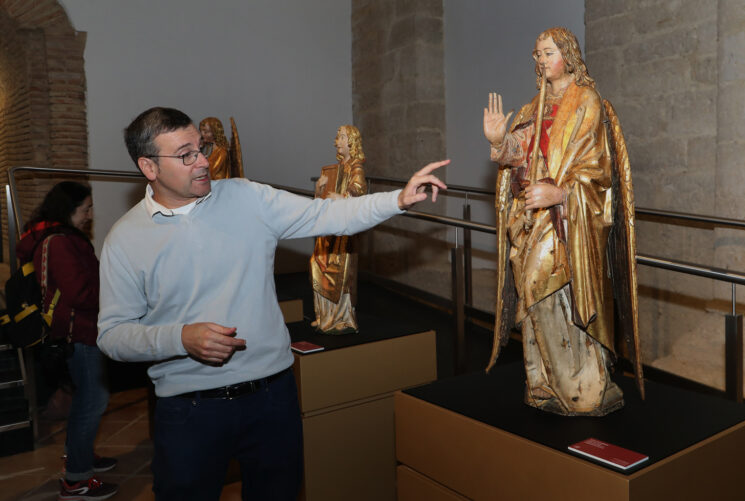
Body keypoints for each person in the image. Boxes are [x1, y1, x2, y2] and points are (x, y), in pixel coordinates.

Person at [97, 107, 447, 500]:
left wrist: (398, 199)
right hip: (188, 410)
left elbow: (328, 213)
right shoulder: (125, 239)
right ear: (149, 166)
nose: (203, 161)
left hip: (271, 398)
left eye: (201, 148)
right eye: (185, 155)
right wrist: (181, 339)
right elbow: (113, 336)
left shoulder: (247, 197)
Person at [483, 27, 640, 416]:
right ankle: (544, 382)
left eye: (548, 52)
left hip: (569, 221)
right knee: (532, 294)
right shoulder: (533, 107)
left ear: (568, 55)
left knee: (543, 286)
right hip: (531, 219)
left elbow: (598, 170)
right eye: (537, 54)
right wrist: (499, 142)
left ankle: (579, 385)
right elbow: (520, 151)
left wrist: (561, 194)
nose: (541, 60)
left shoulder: (586, 101)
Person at [16, 182, 118, 500]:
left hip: (80, 330)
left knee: (87, 399)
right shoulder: (60, 243)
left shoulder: (61, 238)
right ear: (68, 209)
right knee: (93, 400)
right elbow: (79, 293)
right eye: (85, 208)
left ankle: (80, 455)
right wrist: (116, 294)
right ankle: (76, 478)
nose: (90, 215)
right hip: (79, 332)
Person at [309, 125, 367, 334]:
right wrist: (319, 189)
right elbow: (321, 198)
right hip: (329, 228)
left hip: (344, 230)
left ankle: (341, 318)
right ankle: (324, 315)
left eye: (342, 137)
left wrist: (340, 198)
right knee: (316, 264)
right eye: (338, 137)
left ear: (352, 142)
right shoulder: (334, 169)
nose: (337, 141)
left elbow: (358, 192)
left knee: (340, 275)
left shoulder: (356, 168)